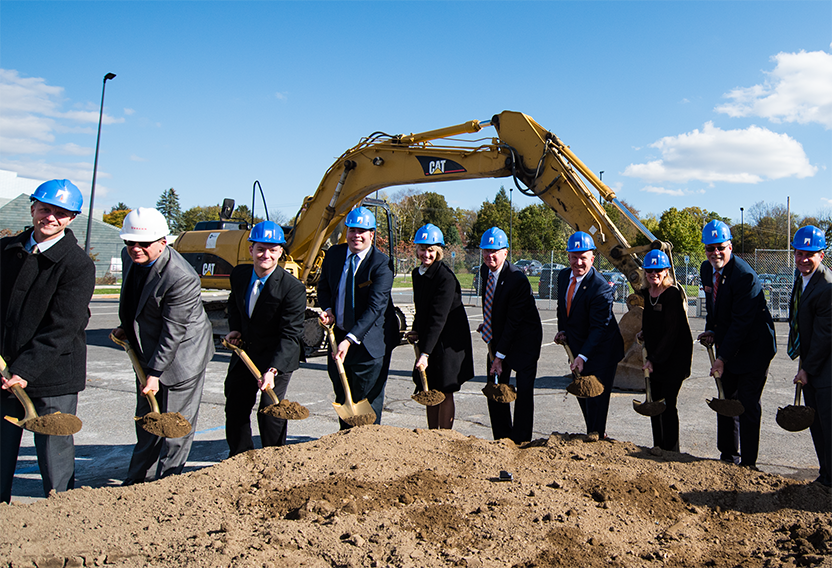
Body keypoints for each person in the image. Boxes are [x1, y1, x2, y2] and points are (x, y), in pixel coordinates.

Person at [0, 179, 95, 503]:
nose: (50, 217)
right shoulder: (6, 250)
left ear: (72, 218)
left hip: (53, 375)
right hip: (3, 371)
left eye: (60, 213)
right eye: (45, 209)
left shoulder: (78, 265)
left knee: (55, 455)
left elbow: (63, 326)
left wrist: (24, 368)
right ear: (33, 208)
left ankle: (60, 515)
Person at [113, 207, 214, 485]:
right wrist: (126, 326)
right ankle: (136, 483)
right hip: (148, 349)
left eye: (144, 244)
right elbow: (133, 296)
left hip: (183, 356)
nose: (136, 249)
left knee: (174, 427)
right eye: (129, 242)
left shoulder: (181, 276)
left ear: (163, 241)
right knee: (147, 421)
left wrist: (154, 374)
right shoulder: (130, 257)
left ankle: (167, 484)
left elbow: (174, 332)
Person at [223, 221, 306, 455]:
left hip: (277, 355)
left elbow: (290, 334)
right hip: (246, 353)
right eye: (260, 248)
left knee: (270, 410)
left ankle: (274, 458)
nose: (265, 255)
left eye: (272, 250)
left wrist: (272, 370)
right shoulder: (239, 275)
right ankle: (240, 457)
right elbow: (234, 304)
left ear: (280, 252)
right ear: (251, 249)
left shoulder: (292, 288)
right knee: (236, 405)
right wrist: (235, 329)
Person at [698, 219, 775, 468]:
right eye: (710, 248)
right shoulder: (706, 269)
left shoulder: (745, 276)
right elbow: (714, 306)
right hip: (729, 344)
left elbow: (741, 324)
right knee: (725, 398)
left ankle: (749, 463)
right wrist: (711, 330)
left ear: (730, 246)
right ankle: (728, 455)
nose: (715, 253)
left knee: (747, 404)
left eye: (720, 247)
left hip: (754, 348)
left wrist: (721, 358)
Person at [317, 206, 394, 429]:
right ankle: (345, 451)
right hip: (337, 341)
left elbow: (375, 307)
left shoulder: (380, 264)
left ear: (372, 234)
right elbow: (323, 288)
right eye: (352, 230)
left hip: (366, 345)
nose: (356, 235)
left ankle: (367, 454)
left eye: (362, 231)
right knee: (343, 400)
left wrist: (350, 339)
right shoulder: (334, 255)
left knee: (365, 406)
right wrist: (328, 308)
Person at [554, 231, 625, 439]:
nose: (578, 262)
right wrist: (563, 330)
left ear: (592, 259)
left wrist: (582, 356)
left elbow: (599, 328)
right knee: (583, 395)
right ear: (568, 257)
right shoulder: (562, 277)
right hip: (579, 347)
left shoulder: (600, 288)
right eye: (574, 257)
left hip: (602, 352)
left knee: (596, 401)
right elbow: (562, 308)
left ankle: (597, 439)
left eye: (583, 257)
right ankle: (592, 435)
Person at [477, 227, 542, 443]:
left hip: (524, 341)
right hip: (500, 337)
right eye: (486, 251)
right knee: (495, 388)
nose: (490, 256)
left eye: (495, 251)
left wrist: (499, 356)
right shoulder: (484, 271)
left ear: (506, 252)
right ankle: (502, 438)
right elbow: (494, 307)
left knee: (523, 392)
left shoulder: (517, 279)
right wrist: (487, 324)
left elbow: (514, 323)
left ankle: (521, 440)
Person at [408, 224, 474, 429]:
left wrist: (425, 354)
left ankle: (444, 436)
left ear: (439, 251)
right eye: (422, 249)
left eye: (431, 250)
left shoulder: (445, 277)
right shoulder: (417, 274)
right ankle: (431, 435)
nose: (425, 254)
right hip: (431, 338)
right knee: (429, 388)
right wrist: (416, 328)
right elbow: (422, 307)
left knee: (444, 389)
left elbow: (438, 316)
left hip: (449, 342)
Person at [787, 225, 832, 488]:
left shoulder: (826, 287)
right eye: (799, 253)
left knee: (828, 427)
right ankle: (825, 475)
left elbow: (825, 337)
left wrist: (806, 369)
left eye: (810, 254)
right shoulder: (803, 277)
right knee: (818, 425)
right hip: (815, 368)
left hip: (825, 371)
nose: (803, 259)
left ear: (822, 255)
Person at [638, 249, 693, 451]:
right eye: (650, 270)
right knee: (654, 403)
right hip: (655, 358)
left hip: (673, 360)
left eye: (658, 270)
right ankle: (658, 446)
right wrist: (644, 333)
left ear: (666, 271)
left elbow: (671, 332)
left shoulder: (671, 295)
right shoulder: (647, 293)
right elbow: (653, 323)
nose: (654, 273)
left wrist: (653, 358)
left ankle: (671, 450)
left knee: (667, 404)